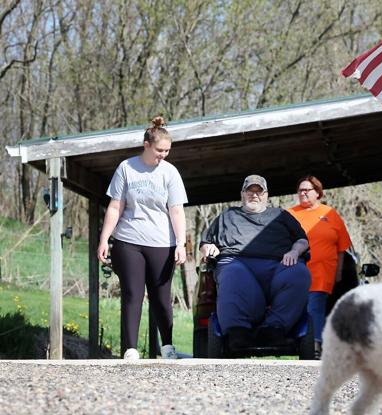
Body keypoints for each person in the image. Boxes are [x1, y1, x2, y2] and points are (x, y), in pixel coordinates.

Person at [97, 116, 188, 360]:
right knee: (132, 294)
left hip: (162, 243)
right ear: (146, 145)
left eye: (167, 151)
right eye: (159, 150)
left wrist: (181, 243)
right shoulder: (127, 168)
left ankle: (167, 346)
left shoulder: (170, 173)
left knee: (160, 297)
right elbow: (115, 207)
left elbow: (176, 210)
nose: (163, 155)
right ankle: (130, 349)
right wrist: (105, 239)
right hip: (129, 240)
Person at [199, 175, 311, 348]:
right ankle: (238, 331)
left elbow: (302, 240)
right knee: (232, 272)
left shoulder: (280, 215)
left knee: (300, 272)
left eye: (259, 191)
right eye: (250, 191)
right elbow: (206, 242)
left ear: (266, 195)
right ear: (242, 194)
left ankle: (274, 328)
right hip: (237, 264)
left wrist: (295, 251)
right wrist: (208, 248)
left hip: (278, 267)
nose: (254, 195)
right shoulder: (227, 216)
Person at [287, 175, 351, 359]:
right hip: (296, 271)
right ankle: (298, 343)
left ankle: (315, 345)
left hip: (323, 271)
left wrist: (338, 272)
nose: (303, 193)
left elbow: (342, 248)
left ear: (318, 193)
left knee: (315, 306)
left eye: (307, 190)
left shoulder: (330, 214)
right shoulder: (290, 214)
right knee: (300, 307)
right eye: (300, 190)